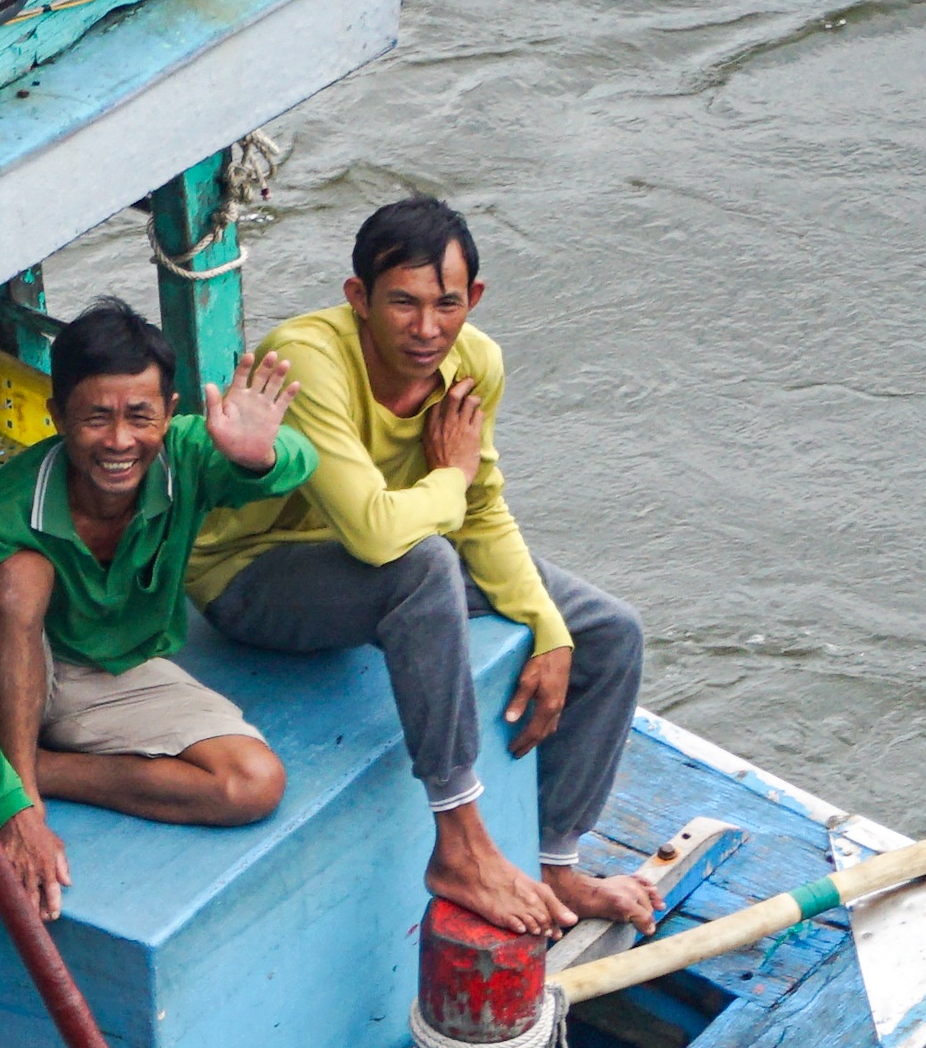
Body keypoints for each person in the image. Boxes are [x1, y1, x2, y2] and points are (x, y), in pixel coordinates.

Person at [187, 200, 655, 938]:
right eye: (402, 302)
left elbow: (482, 507)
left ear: (473, 299)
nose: (427, 328)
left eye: (446, 304)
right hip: (252, 577)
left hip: (396, 545)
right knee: (423, 563)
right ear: (357, 298)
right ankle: (460, 842)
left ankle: (556, 858)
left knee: (606, 631)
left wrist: (549, 630)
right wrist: (451, 478)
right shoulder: (308, 359)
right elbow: (379, 534)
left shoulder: (475, 364)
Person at [0, 299, 309, 922]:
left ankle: (33, 769)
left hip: (112, 671)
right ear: (57, 417)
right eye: (96, 417)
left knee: (254, 783)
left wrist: (256, 456)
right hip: (7, 673)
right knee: (21, 576)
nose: (120, 441)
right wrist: (18, 816)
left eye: (140, 416)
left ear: (171, 413)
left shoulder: (189, 452)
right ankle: (20, 784)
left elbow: (297, 463)